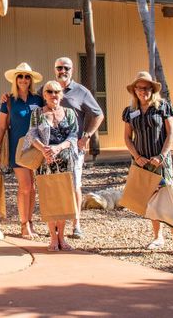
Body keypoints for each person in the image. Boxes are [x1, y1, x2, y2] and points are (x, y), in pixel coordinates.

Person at [122, 71, 173, 256]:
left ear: (152, 89)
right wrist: (136, 156)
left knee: (169, 198)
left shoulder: (162, 107)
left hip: (160, 161)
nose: (143, 91)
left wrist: (162, 155)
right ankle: (158, 237)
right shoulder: (129, 111)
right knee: (150, 200)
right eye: (140, 88)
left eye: (147, 88)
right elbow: (127, 137)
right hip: (141, 162)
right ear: (134, 90)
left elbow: (171, 133)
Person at [53, 57, 104, 239]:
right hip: (53, 148)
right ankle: (58, 224)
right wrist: (8, 99)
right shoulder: (49, 88)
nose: (63, 71)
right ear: (55, 69)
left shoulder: (81, 91)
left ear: (72, 70)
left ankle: (76, 224)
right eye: (59, 67)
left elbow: (98, 114)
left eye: (66, 68)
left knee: (74, 184)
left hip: (74, 147)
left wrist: (87, 135)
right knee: (56, 186)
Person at [26, 80, 79, 252]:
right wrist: (44, 150)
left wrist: (58, 147)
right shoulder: (37, 114)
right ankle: (53, 238)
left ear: (61, 94)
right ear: (44, 94)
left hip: (65, 160)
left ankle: (62, 238)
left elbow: (73, 136)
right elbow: (31, 135)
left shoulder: (70, 113)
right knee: (49, 199)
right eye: (49, 91)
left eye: (57, 91)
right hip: (45, 161)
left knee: (64, 199)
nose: (53, 95)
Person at [0, 62, 44, 238]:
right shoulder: (8, 101)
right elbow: (1, 127)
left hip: (36, 147)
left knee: (33, 188)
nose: (23, 79)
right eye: (20, 76)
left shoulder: (38, 99)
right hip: (18, 147)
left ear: (31, 80)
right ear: (15, 79)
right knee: (25, 186)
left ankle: (30, 222)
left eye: (27, 76)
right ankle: (23, 224)